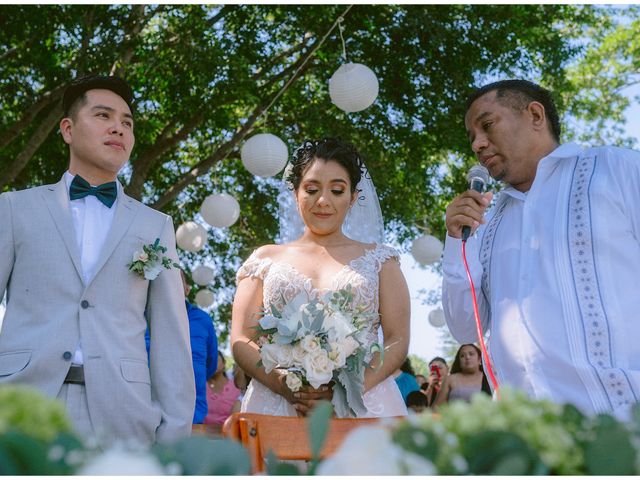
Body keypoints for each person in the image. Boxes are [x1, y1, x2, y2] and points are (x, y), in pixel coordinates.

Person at [0, 75, 195, 444]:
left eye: (127, 122)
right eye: (103, 116)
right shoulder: (13, 208)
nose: (118, 128)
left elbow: (172, 336)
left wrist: (174, 436)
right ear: (68, 129)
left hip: (124, 414)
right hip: (20, 405)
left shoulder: (156, 225)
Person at [442, 79, 640, 419]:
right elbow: (465, 328)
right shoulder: (487, 225)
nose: (477, 143)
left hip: (625, 429)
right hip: (530, 442)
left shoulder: (617, 169)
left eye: (487, 125)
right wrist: (454, 240)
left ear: (535, 115)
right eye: (471, 136)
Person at [230, 137, 410, 417]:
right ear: (295, 194)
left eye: (337, 190)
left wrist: (349, 391)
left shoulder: (381, 261)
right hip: (277, 404)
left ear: (352, 197)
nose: (323, 201)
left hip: (365, 403)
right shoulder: (264, 260)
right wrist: (286, 385)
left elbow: (397, 339)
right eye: (311, 189)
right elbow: (241, 338)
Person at [204, 351, 241, 428]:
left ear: (224, 363)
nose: (212, 364)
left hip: (228, 436)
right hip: (201, 435)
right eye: (208, 361)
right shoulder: (200, 387)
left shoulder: (236, 386)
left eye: (216, 360)